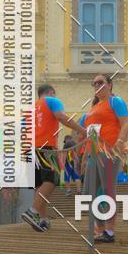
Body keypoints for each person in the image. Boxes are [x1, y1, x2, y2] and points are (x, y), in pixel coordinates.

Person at [21, 84, 85, 232]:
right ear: (50, 92)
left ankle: (42, 219)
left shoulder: (30, 109)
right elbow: (62, 117)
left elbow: (23, 131)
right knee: (52, 180)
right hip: (46, 148)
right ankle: (33, 211)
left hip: (29, 150)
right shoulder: (52, 101)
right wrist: (83, 130)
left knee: (39, 185)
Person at [79, 74, 128, 244]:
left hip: (110, 151)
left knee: (108, 190)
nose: (97, 85)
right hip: (94, 153)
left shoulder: (116, 102)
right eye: (94, 83)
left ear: (110, 85)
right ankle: (100, 227)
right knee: (88, 193)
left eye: (100, 82)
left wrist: (120, 142)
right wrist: (85, 158)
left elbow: (126, 124)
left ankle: (109, 230)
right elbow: (90, 135)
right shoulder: (93, 108)